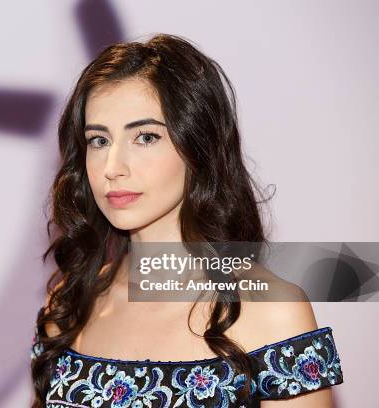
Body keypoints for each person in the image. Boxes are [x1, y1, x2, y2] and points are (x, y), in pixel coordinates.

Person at [30, 33, 344, 407]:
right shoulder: (68, 303)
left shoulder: (274, 314)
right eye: (99, 141)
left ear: (198, 146)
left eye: (145, 137)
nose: (112, 168)